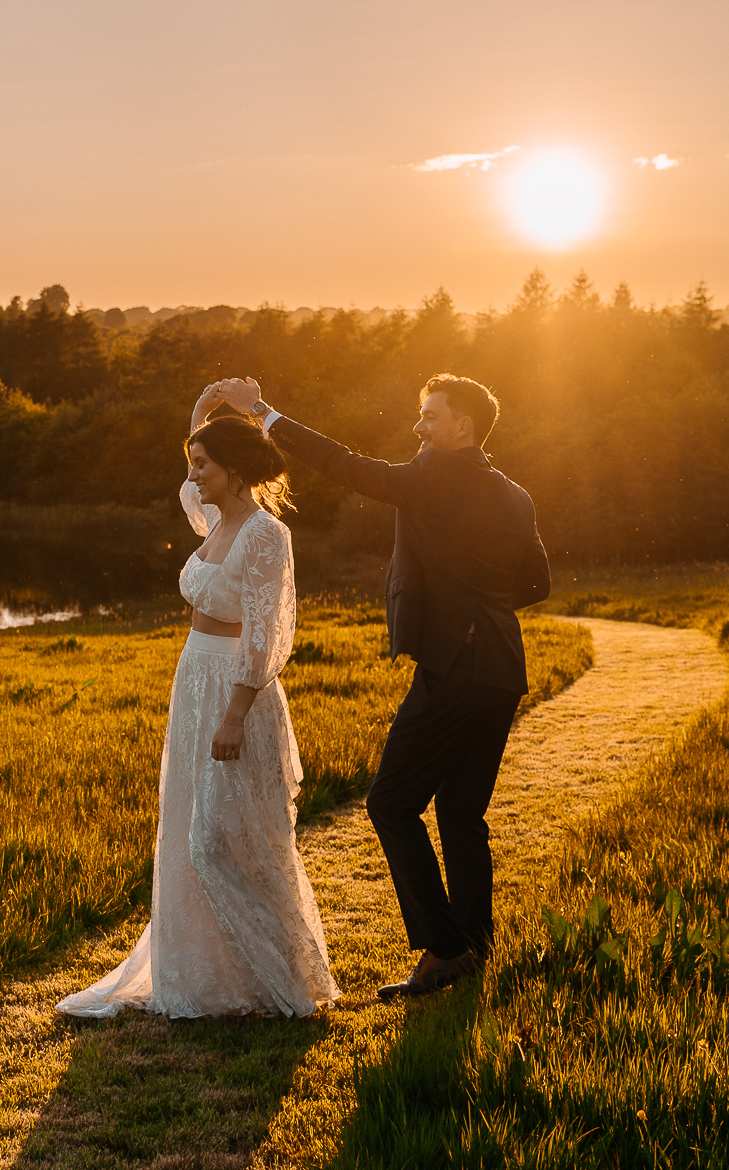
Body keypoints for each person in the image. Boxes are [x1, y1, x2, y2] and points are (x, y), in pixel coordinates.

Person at [216, 373, 549, 1000]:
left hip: (455, 668)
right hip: (502, 666)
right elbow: (538, 581)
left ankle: (445, 949)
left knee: (390, 803)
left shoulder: (431, 479)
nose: (418, 427)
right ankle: (474, 950)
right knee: (460, 812)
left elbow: (345, 466)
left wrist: (263, 412)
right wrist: (484, 609)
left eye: (429, 416)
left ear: (462, 428)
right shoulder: (514, 494)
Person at [57, 384, 338, 1018]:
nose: (193, 477)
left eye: (203, 464)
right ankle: (203, 980)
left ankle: (270, 977)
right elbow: (190, 492)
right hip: (194, 682)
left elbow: (268, 633)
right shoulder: (218, 521)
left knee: (225, 833)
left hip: (237, 690)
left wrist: (236, 713)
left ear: (235, 470)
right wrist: (199, 417)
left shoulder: (266, 535)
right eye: (192, 464)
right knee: (188, 825)